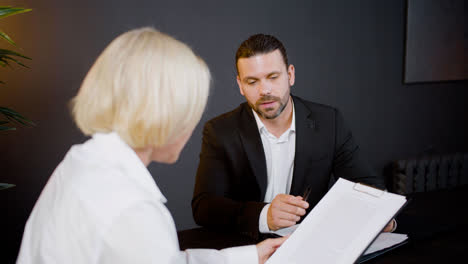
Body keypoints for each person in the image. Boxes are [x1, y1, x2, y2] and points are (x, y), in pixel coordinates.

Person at [16, 28, 286, 264]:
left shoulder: (80, 162)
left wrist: (249, 257)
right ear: (165, 113)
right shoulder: (134, 209)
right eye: (190, 112)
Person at [192, 33, 393, 241]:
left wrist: (382, 216)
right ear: (240, 85)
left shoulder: (328, 122)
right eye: (252, 82)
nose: (264, 90)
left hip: (310, 245)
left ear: (290, 75)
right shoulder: (220, 130)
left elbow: (368, 186)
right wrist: (264, 215)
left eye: (273, 77)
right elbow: (204, 206)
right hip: (246, 248)